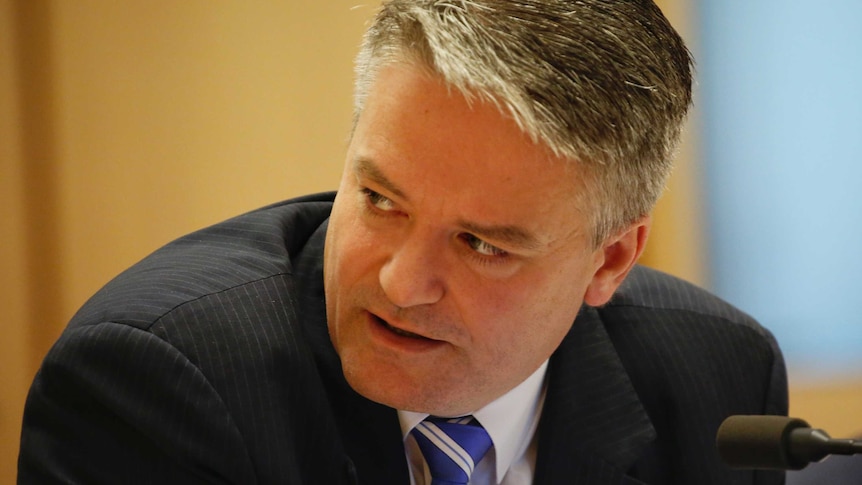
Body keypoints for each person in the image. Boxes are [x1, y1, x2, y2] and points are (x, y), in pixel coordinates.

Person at [18, 1, 787, 484]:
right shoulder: (153, 383)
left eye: (483, 244)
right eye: (381, 200)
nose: (399, 282)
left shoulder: (718, 378)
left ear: (612, 259)